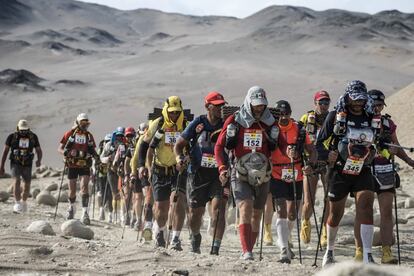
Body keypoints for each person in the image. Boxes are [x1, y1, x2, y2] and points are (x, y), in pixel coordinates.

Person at [317, 80, 377, 266]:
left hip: (363, 168)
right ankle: (330, 251)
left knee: (366, 205)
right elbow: (319, 144)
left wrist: (377, 151)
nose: (358, 103)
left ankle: (367, 255)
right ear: (348, 97)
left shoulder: (370, 117)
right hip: (340, 170)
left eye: (361, 99)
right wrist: (329, 155)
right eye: (355, 99)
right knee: (336, 214)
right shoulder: (335, 115)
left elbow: (380, 140)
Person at [215, 86, 277, 260]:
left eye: (262, 105)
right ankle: (246, 251)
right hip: (239, 171)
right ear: (249, 103)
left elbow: (281, 144)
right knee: (245, 208)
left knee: (257, 213)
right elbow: (219, 146)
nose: (259, 108)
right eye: (256, 105)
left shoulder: (271, 123)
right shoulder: (234, 121)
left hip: (263, 173)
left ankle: (250, 247)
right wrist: (222, 167)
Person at [353, 89, 414, 264]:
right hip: (363, 170)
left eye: (381, 105)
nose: (378, 108)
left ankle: (386, 252)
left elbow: (396, 144)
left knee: (386, 212)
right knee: (363, 212)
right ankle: (360, 251)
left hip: (386, 170)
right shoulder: (359, 122)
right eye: (375, 105)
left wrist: (408, 159)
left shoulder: (387, 123)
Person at [174, 91, 228, 255]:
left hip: (219, 174)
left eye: (222, 105)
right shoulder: (198, 123)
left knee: (219, 209)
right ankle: (195, 237)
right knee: (195, 213)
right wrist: (179, 158)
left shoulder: (227, 123)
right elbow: (179, 144)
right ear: (207, 106)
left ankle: (215, 248)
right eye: (217, 106)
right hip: (198, 173)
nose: (220, 109)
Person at [136, 96, 188, 250]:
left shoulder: (185, 125)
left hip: (177, 171)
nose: (174, 115)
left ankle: (176, 239)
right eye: (171, 112)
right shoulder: (158, 124)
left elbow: (192, 147)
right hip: (159, 170)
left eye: (177, 112)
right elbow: (145, 146)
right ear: (166, 110)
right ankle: (160, 231)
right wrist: (143, 166)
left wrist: (186, 160)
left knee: (178, 202)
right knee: (160, 209)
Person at [269, 100, 317, 263]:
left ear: (290, 114)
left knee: (292, 213)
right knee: (281, 209)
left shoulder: (299, 129)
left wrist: (310, 164)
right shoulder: (271, 129)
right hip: (276, 172)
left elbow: (312, 150)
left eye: (286, 114)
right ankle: (283, 249)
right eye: (280, 114)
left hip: (296, 173)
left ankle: (286, 239)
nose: (283, 117)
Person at [299, 91, 331, 246]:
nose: (324, 106)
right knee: (308, 201)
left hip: (328, 163)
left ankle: (325, 231)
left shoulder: (333, 118)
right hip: (310, 163)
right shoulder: (306, 118)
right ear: (315, 103)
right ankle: (305, 222)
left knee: (329, 199)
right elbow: (297, 138)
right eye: (321, 103)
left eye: (326, 103)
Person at [58, 113, 99, 224]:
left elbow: (92, 149)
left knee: (84, 187)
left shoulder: (89, 136)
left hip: (85, 164)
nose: (84, 125)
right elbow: (60, 148)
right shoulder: (69, 134)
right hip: (72, 165)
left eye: (86, 123)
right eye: (82, 122)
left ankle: (85, 213)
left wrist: (97, 157)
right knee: (72, 190)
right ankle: (71, 207)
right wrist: (65, 153)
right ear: (77, 122)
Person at [0, 119, 42, 213]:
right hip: (15, 163)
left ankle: (24, 202)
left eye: (25, 130)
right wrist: (1, 166)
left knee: (27, 185)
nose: (23, 132)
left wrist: (39, 160)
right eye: (21, 130)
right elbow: (5, 152)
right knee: (17, 181)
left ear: (28, 129)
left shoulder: (33, 137)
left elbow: (39, 150)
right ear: (18, 128)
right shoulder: (12, 137)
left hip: (28, 164)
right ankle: (17, 203)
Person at [130, 122, 153, 239]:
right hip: (143, 172)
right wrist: (133, 172)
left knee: (154, 199)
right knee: (144, 197)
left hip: (156, 171)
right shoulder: (141, 140)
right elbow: (134, 158)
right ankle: (143, 221)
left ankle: (153, 224)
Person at [100, 126, 125, 224]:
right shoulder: (109, 145)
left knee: (123, 194)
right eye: (118, 135)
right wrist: (107, 159)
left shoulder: (126, 145)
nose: (119, 138)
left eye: (121, 136)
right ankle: (114, 215)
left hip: (122, 172)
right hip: (111, 171)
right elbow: (101, 157)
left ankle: (122, 216)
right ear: (115, 135)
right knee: (115, 194)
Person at [123, 126, 144, 230]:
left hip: (147, 173)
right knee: (137, 197)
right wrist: (127, 175)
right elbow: (127, 161)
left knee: (149, 198)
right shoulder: (133, 145)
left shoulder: (151, 140)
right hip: (135, 173)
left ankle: (149, 221)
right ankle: (138, 219)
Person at [96, 133, 112, 221]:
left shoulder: (113, 149)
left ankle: (110, 214)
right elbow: (97, 160)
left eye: (109, 141)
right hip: (101, 174)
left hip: (110, 174)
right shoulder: (101, 150)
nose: (108, 143)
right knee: (101, 193)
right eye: (107, 141)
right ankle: (101, 210)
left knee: (110, 194)